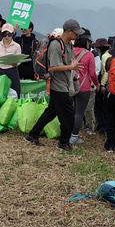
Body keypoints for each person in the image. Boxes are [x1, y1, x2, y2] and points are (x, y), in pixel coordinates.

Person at [24, 19, 85, 152]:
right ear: (68, 31)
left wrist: (72, 66)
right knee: (69, 115)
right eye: (76, 33)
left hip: (63, 83)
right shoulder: (56, 46)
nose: (77, 36)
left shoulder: (68, 44)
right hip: (58, 85)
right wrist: (71, 66)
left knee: (51, 112)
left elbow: (69, 60)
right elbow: (54, 67)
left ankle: (32, 135)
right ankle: (63, 143)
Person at [70, 33, 99, 146]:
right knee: (79, 113)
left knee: (71, 111)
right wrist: (96, 84)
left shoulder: (70, 51)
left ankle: (67, 133)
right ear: (86, 41)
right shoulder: (89, 55)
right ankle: (74, 137)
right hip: (83, 86)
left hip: (70, 85)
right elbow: (92, 73)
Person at [0, 23, 23, 96]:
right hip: (0, 70)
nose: (7, 37)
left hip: (12, 70)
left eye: (9, 34)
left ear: (13, 34)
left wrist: (16, 63)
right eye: (5, 34)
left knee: (14, 92)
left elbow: (19, 60)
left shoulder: (16, 46)